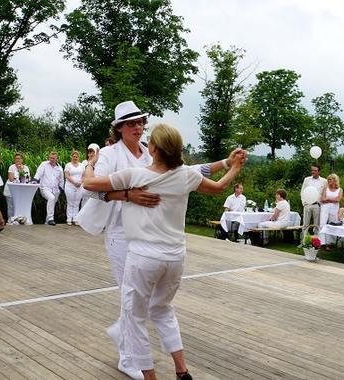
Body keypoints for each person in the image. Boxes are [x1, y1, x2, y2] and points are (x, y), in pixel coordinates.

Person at [80, 100, 244, 379]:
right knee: (132, 300)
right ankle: (129, 358)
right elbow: (92, 190)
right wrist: (127, 195)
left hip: (147, 243)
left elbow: (191, 171)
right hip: (122, 231)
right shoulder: (109, 154)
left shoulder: (148, 153)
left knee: (136, 304)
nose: (138, 127)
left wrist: (226, 162)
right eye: (131, 123)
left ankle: (131, 351)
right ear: (119, 128)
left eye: (141, 122)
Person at [33, 151, 64, 226]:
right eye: (50, 158)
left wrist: (61, 189)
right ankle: (50, 218)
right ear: (49, 158)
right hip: (45, 188)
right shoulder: (44, 164)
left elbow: (61, 180)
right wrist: (35, 180)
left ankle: (47, 222)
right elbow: (38, 173)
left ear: (57, 159)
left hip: (56, 190)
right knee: (51, 198)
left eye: (53, 158)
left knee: (52, 202)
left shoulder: (60, 168)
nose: (52, 159)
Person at [300, 165, 327, 240]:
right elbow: (302, 192)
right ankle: (303, 241)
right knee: (305, 224)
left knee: (317, 224)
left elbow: (325, 193)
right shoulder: (307, 180)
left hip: (317, 205)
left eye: (315, 170)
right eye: (312, 170)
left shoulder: (324, 181)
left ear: (319, 171)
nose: (313, 172)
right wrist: (304, 203)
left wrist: (321, 203)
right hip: (307, 204)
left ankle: (316, 241)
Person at [3, 153, 31, 222]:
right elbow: (11, 178)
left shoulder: (26, 167)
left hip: (21, 191)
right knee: (11, 207)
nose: (17, 160)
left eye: (19, 158)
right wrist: (19, 170)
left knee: (20, 206)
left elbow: (28, 179)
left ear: (22, 159)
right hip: (10, 190)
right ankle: (10, 221)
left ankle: (20, 221)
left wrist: (21, 170)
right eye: (16, 158)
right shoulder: (11, 167)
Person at [318, 174, 343, 250]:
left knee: (332, 225)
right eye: (328, 179)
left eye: (330, 179)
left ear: (335, 180)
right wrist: (332, 199)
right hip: (325, 208)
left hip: (334, 209)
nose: (328, 181)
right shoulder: (326, 189)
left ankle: (330, 243)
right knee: (322, 224)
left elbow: (338, 199)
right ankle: (322, 242)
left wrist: (328, 198)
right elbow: (322, 199)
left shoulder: (340, 189)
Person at [64, 150, 85, 225]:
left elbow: (84, 175)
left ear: (78, 157)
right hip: (70, 186)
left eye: (76, 157)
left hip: (80, 186)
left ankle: (75, 218)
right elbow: (67, 175)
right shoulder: (68, 165)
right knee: (70, 203)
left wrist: (80, 182)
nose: (75, 158)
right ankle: (69, 218)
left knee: (77, 203)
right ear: (71, 157)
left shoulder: (82, 165)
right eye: (74, 156)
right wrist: (74, 182)